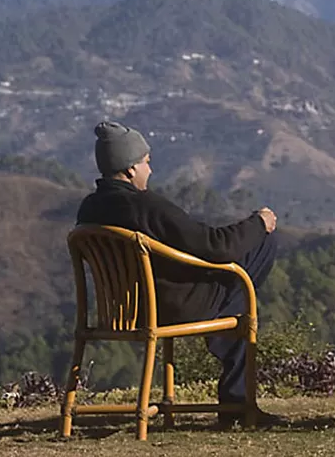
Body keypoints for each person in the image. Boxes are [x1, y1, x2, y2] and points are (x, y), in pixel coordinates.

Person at [76, 121, 280, 427]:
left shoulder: (88, 210)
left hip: (128, 311)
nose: (150, 170)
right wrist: (258, 223)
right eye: (146, 162)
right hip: (173, 309)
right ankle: (236, 402)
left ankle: (236, 395)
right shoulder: (145, 206)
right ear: (130, 169)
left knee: (237, 293)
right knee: (257, 255)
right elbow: (216, 247)